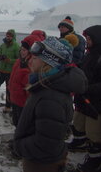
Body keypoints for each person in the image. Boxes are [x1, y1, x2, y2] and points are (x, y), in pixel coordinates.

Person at [14, 36, 87, 172]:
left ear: (48, 63)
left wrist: (19, 145)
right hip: (43, 160)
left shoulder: (50, 97)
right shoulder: (46, 86)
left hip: (41, 163)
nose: (29, 60)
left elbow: (46, 144)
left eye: (35, 58)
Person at [68, 25, 101, 172]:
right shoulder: (90, 53)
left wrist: (88, 89)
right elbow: (83, 67)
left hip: (96, 102)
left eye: (89, 38)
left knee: (94, 132)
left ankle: (95, 160)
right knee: (78, 122)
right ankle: (79, 142)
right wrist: (73, 68)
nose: (87, 41)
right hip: (83, 98)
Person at [9, 34, 41, 126]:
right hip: (15, 98)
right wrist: (9, 91)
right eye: (21, 49)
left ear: (30, 51)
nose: (21, 52)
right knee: (16, 122)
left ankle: (21, 139)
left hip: (23, 102)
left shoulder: (32, 66)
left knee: (23, 124)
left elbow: (30, 88)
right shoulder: (19, 61)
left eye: (24, 50)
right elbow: (13, 78)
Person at [0, 29, 19, 111]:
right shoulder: (3, 45)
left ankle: (8, 106)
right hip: (1, 70)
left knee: (9, 89)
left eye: (10, 36)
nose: (8, 37)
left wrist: (9, 60)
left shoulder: (16, 46)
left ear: (13, 37)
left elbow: (19, 60)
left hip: (10, 72)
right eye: (7, 35)